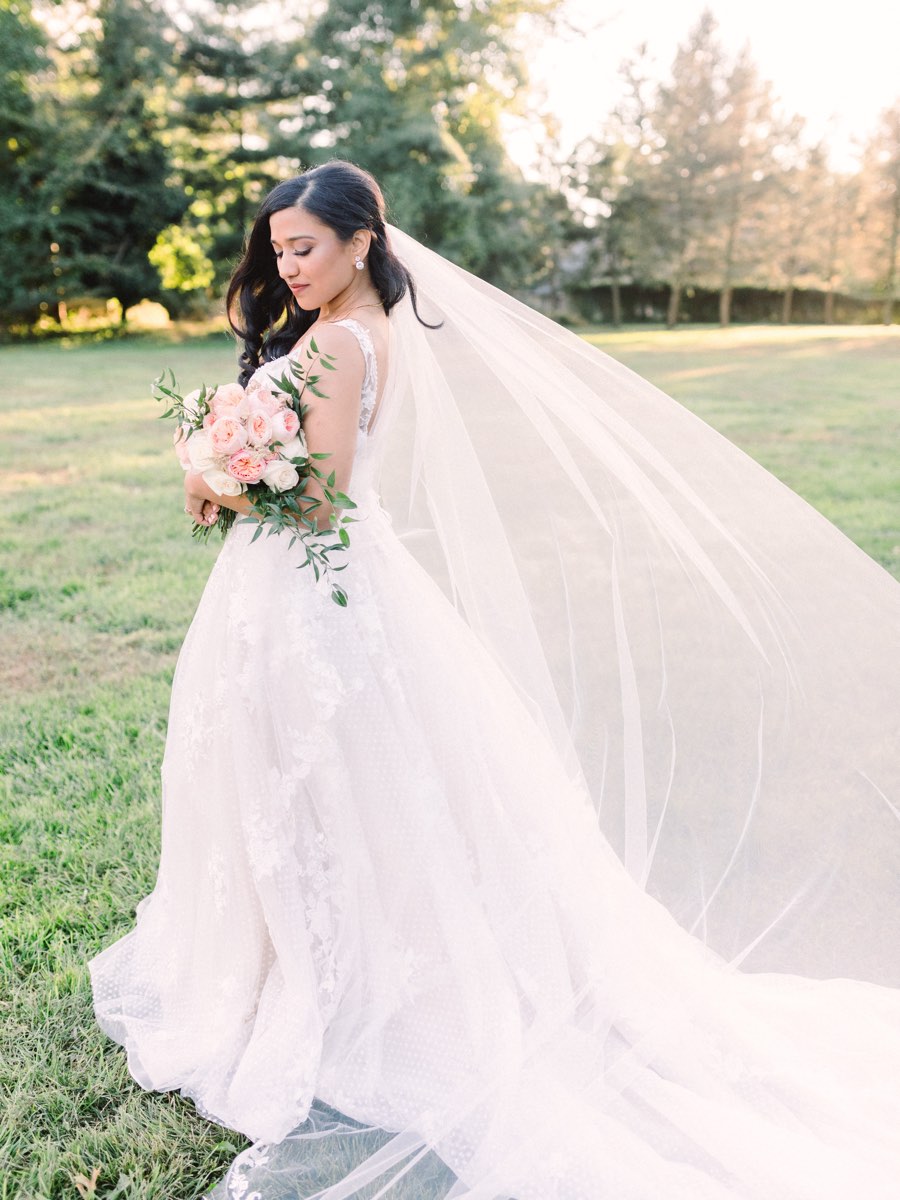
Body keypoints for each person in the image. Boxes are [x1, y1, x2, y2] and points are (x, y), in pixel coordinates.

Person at [89, 161, 900, 1200]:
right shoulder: (364, 331)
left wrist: (214, 481)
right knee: (326, 785)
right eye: (278, 250)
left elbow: (321, 499)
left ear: (362, 243)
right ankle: (293, 958)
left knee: (315, 779)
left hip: (309, 594)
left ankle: (331, 984)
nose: (287, 266)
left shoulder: (340, 340)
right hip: (320, 593)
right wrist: (232, 464)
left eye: (305, 248)